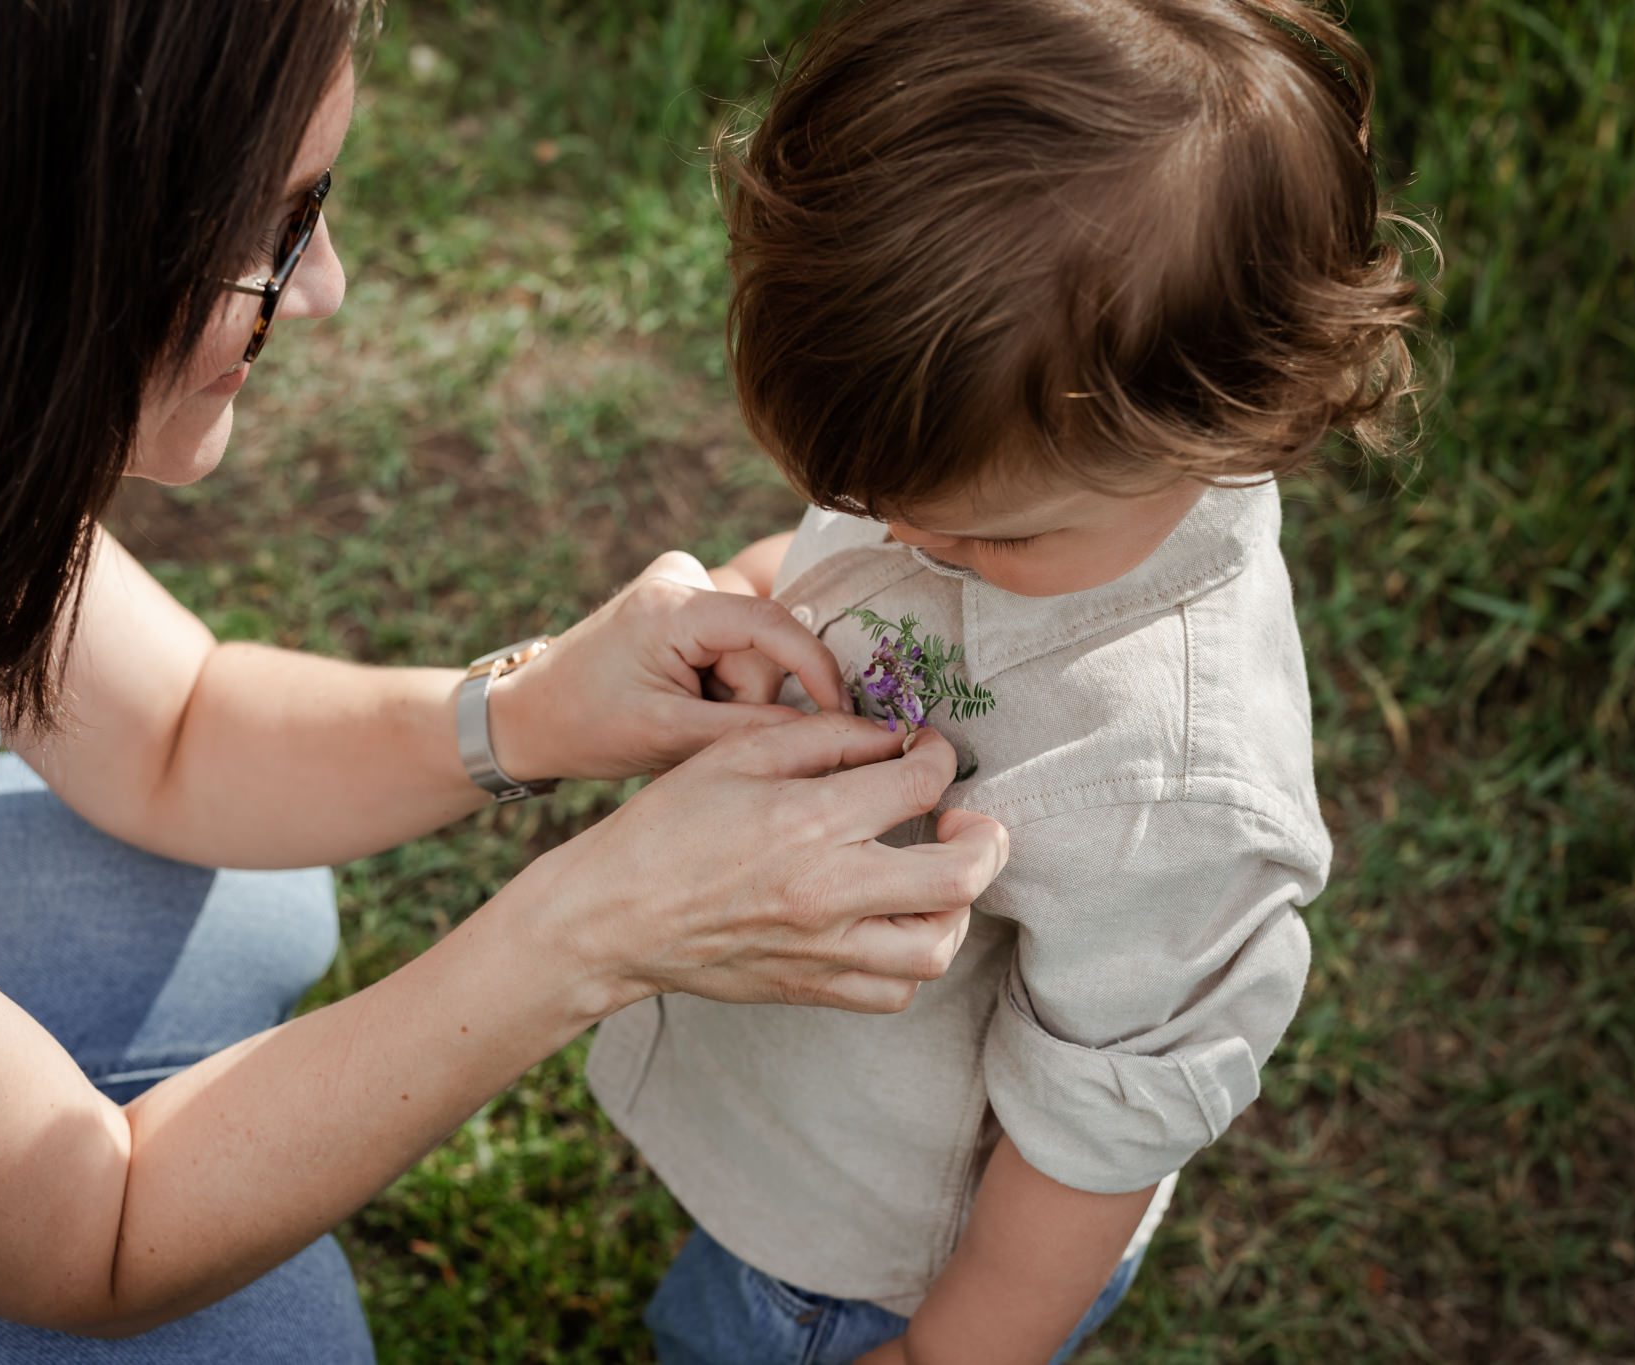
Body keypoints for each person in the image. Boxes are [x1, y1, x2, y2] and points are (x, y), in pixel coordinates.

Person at [0, 3, 1015, 1361]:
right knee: (259, 1330)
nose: (327, 284)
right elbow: (101, 1234)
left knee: (249, 906)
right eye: (276, 229)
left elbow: (174, 730)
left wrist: (525, 711)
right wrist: (592, 925)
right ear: (5, 259)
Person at [582, 1, 1431, 1362]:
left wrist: (942, 1351)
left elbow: (1098, 1127)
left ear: (1239, 415)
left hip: (874, 1267)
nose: (911, 541)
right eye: (869, 500)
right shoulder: (1007, 449)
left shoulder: (1170, 775)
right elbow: (870, 559)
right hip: (805, 1127)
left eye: (980, 535)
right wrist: (756, 599)